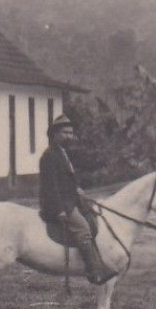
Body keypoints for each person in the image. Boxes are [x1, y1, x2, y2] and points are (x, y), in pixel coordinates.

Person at [38, 115, 116, 285]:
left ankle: (99, 261)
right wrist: (59, 210)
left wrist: (79, 191)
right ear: (54, 134)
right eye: (65, 132)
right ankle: (94, 272)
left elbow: (67, 181)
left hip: (70, 200)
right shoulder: (49, 155)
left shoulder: (63, 153)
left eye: (71, 133)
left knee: (93, 216)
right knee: (82, 228)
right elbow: (51, 187)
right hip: (56, 204)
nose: (69, 136)